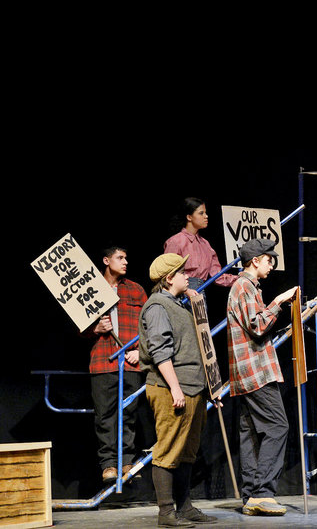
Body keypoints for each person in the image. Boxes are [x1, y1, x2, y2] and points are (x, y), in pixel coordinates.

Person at [138, 253, 220, 527]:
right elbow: (161, 352)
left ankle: (184, 507)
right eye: (182, 272)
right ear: (169, 278)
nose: (188, 275)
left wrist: (211, 387)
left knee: (186, 451)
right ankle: (166, 512)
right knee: (168, 450)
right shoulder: (158, 306)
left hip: (192, 387)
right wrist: (175, 388)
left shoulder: (181, 305)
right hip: (170, 387)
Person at [226, 238, 297, 516]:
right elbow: (256, 325)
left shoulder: (247, 287)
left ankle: (251, 497)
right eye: (269, 260)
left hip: (247, 372)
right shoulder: (244, 286)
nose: (272, 265)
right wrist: (278, 302)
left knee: (252, 435)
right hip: (254, 371)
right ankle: (263, 493)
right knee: (278, 426)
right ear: (255, 260)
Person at [81, 246, 148, 483]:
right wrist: (94, 329)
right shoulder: (90, 288)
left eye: (126, 258)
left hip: (130, 362)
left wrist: (140, 352)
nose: (125, 262)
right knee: (105, 416)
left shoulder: (136, 290)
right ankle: (108, 464)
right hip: (103, 362)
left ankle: (127, 461)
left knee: (129, 414)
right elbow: (77, 323)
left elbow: (148, 326)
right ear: (106, 260)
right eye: (120, 258)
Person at [164, 197, 238, 295]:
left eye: (205, 213)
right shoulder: (175, 241)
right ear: (189, 217)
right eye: (201, 213)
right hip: (180, 296)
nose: (206, 216)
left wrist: (241, 279)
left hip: (199, 294)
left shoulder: (205, 245)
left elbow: (218, 277)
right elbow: (168, 274)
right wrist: (186, 291)